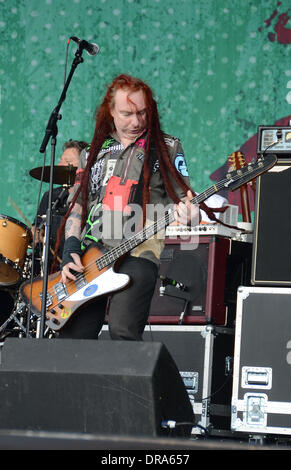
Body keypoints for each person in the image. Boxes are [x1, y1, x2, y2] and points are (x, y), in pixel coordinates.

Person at [54, 74, 201, 340]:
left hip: (138, 253)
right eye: (127, 114)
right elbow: (77, 206)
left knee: (123, 334)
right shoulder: (93, 152)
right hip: (90, 258)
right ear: (110, 112)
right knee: (72, 339)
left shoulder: (167, 147)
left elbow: (187, 202)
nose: (136, 122)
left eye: (143, 113)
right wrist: (71, 250)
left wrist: (190, 215)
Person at [33, 139, 88, 274]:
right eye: (61, 160)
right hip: (48, 268)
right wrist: (36, 233)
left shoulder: (91, 198)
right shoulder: (50, 195)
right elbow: (37, 227)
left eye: (67, 162)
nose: (59, 165)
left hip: (80, 267)